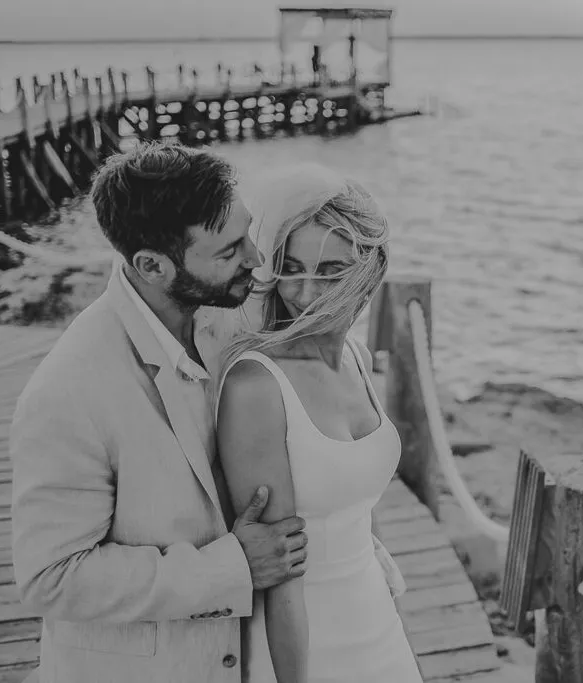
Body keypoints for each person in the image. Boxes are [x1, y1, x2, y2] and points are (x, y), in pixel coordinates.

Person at [9, 142, 309, 683]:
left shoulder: (230, 320)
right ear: (151, 265)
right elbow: (50, 577)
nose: (256, 261)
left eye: (248, 234)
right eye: (229, 250)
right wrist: (231, 568)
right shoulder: (67, 392)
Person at [214, 164, 422, 683]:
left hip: (375, 613)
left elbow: (357, 501)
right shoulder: (257, 386)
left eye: (331, 271)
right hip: (302, 640)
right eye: (293, 268)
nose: (306, 294)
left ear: (369, 268)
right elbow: (281, 574)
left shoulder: (354, 355)